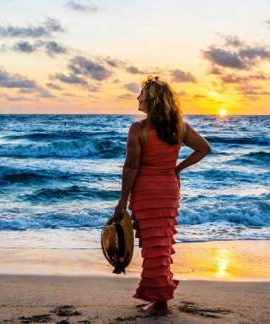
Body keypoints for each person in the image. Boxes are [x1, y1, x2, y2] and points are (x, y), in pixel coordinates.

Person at [113, 76, 211, 316]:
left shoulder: (138, 129)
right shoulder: (178, 126)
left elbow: (131, 167)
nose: (138, 97)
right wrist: (177, 168)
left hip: (146, 191)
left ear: (153, 99)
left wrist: (122, 201)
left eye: (142, 94)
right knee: (161, 244)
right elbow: (203, 148)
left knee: (152, 245)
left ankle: (160, 301)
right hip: (168, 190)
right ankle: (159, 297)